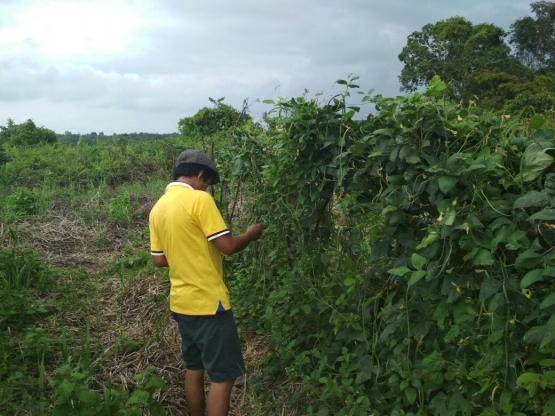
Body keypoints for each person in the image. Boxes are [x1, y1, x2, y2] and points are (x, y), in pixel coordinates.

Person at [148, 149, 262, 416]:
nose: (207, 188)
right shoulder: (199, 200)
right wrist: (250, 234)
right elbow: (228, 246)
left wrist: (187, 251)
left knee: (194, 367)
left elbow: (159, 260)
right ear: (200, 175)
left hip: (181, 303)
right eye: (208, 182)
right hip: (210, 304)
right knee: (223, 375)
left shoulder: (158, 208)